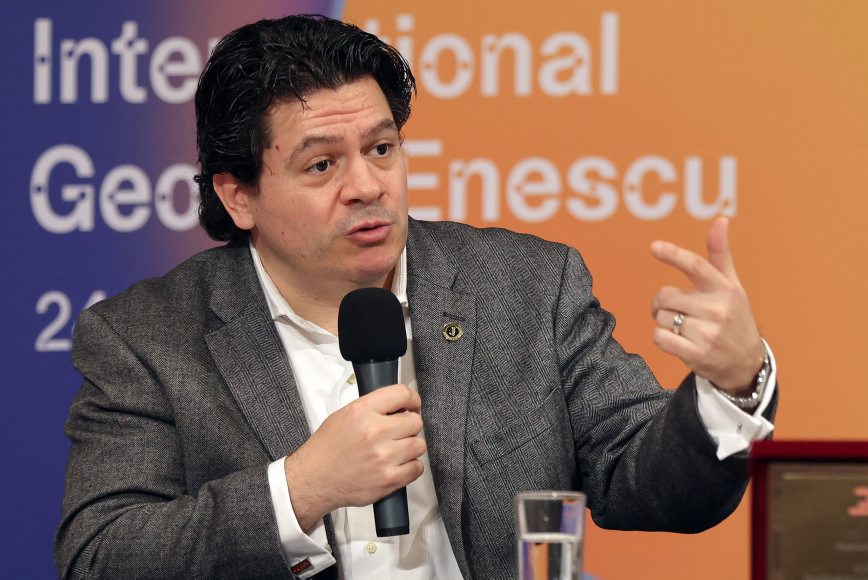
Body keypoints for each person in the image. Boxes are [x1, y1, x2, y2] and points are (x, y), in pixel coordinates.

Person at [55, 14, 776, 580]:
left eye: (382, 149)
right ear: (238, 195)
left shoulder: (527, 287)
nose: (367, 186)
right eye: (322, 165)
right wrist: (301, 487)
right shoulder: (147, 338)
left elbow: (654, 485)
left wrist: (732, 385)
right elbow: (101, 554)